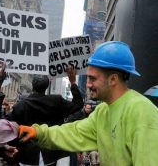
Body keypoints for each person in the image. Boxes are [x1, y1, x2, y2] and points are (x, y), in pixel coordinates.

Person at [18, 41, 158, 166]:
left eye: (92, 78)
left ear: (113, 79)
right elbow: (74, 132)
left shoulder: (141, 110)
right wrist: (38, 132)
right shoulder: (102, 111)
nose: (88, 84)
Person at [7, 66, 84, 166]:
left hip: (27, 156)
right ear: (46, 86)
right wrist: (72, 82)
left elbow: (8, 127)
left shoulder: (20, 105)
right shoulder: (56, 101)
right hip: (50, 153)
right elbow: (78, 104)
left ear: (33, 85)